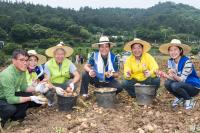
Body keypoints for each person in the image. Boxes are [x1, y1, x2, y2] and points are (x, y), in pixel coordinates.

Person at [0, 50, 48, 127]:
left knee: (26, 95)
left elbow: (23, 87)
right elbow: (10, 99)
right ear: (13, 61)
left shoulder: (22, 70)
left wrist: (36, 89)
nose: (25, 63)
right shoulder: (8, 75)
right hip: (2, 98)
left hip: (8, 96)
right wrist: (31, 98)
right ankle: (2, 121)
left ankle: (15, 119)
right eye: (21, 60)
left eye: (26, 60)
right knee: (10, 108)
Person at [159, 39, 200, 109]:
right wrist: (165, 75)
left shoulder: (187, 62)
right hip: (181, 84)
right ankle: (180, 97)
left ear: (180, 51)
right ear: (169, 52)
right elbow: (173, 78)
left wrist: (173, 75)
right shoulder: (170, 61)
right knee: (167, 83)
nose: (173, 52)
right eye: (171, 50)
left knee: (175, 85)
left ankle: (189, 99)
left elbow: (181, 80)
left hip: (193, 87)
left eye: (175, 49)